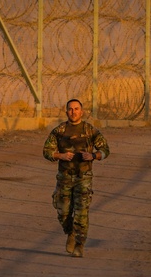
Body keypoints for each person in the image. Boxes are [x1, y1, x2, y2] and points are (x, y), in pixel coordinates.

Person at [43, 98, 110, 258]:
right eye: (70, 109)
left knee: (81, 212)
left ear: (82, 111)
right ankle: (70, 232)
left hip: (83, 178)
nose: (73, 112)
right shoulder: (59, 131)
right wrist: (60, 155)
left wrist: (93, 155)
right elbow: (46, 151)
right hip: (64, 178)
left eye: (76, 109)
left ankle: (80, 244)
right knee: (63, 211)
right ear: (66, 112)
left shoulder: (89, 130)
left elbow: (105, 149)